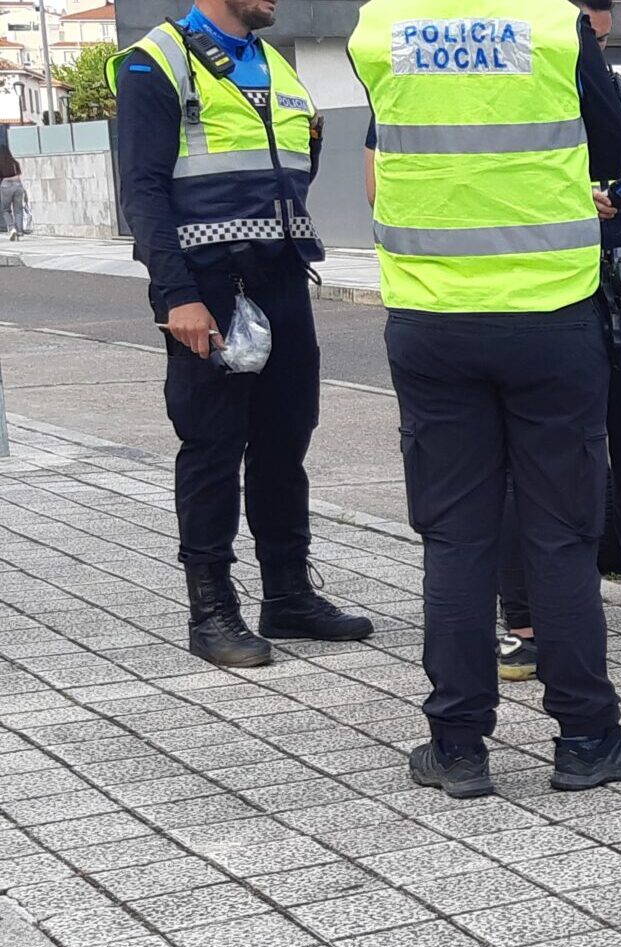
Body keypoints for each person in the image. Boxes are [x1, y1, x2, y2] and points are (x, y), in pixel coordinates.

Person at [350, 0, 621, 798]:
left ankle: (457, 747)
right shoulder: (556, 25)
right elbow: (608, 149)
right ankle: (587, 736)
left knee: (456, 539)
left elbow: (381, 149)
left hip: (430, 316)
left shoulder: (381, 27)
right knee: (560, 535)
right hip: (548, 315)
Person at [110, 0, 373, 669]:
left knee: (286, 442)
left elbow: (299, 161)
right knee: (213, 447)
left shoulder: (273, 63)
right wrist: (179, 295)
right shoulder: (156, 61)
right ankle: (211, 612)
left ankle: (287, 595)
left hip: (281, 278)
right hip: (208, 287)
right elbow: (142, 191)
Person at [496, 0, 621, 685]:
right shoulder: (528, 84)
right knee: (552, 447)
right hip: (559, 284)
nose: (594, 42)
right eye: (586, 28)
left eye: (602, 33)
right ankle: (543, 596)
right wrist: (576, 198)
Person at [0, 147, 26, 240]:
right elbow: (19, 175)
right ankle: (19, 231)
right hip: (18, 185)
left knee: (6, 210)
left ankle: (12, 228)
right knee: (18, 210)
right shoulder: (15, 163)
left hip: (6, 185)